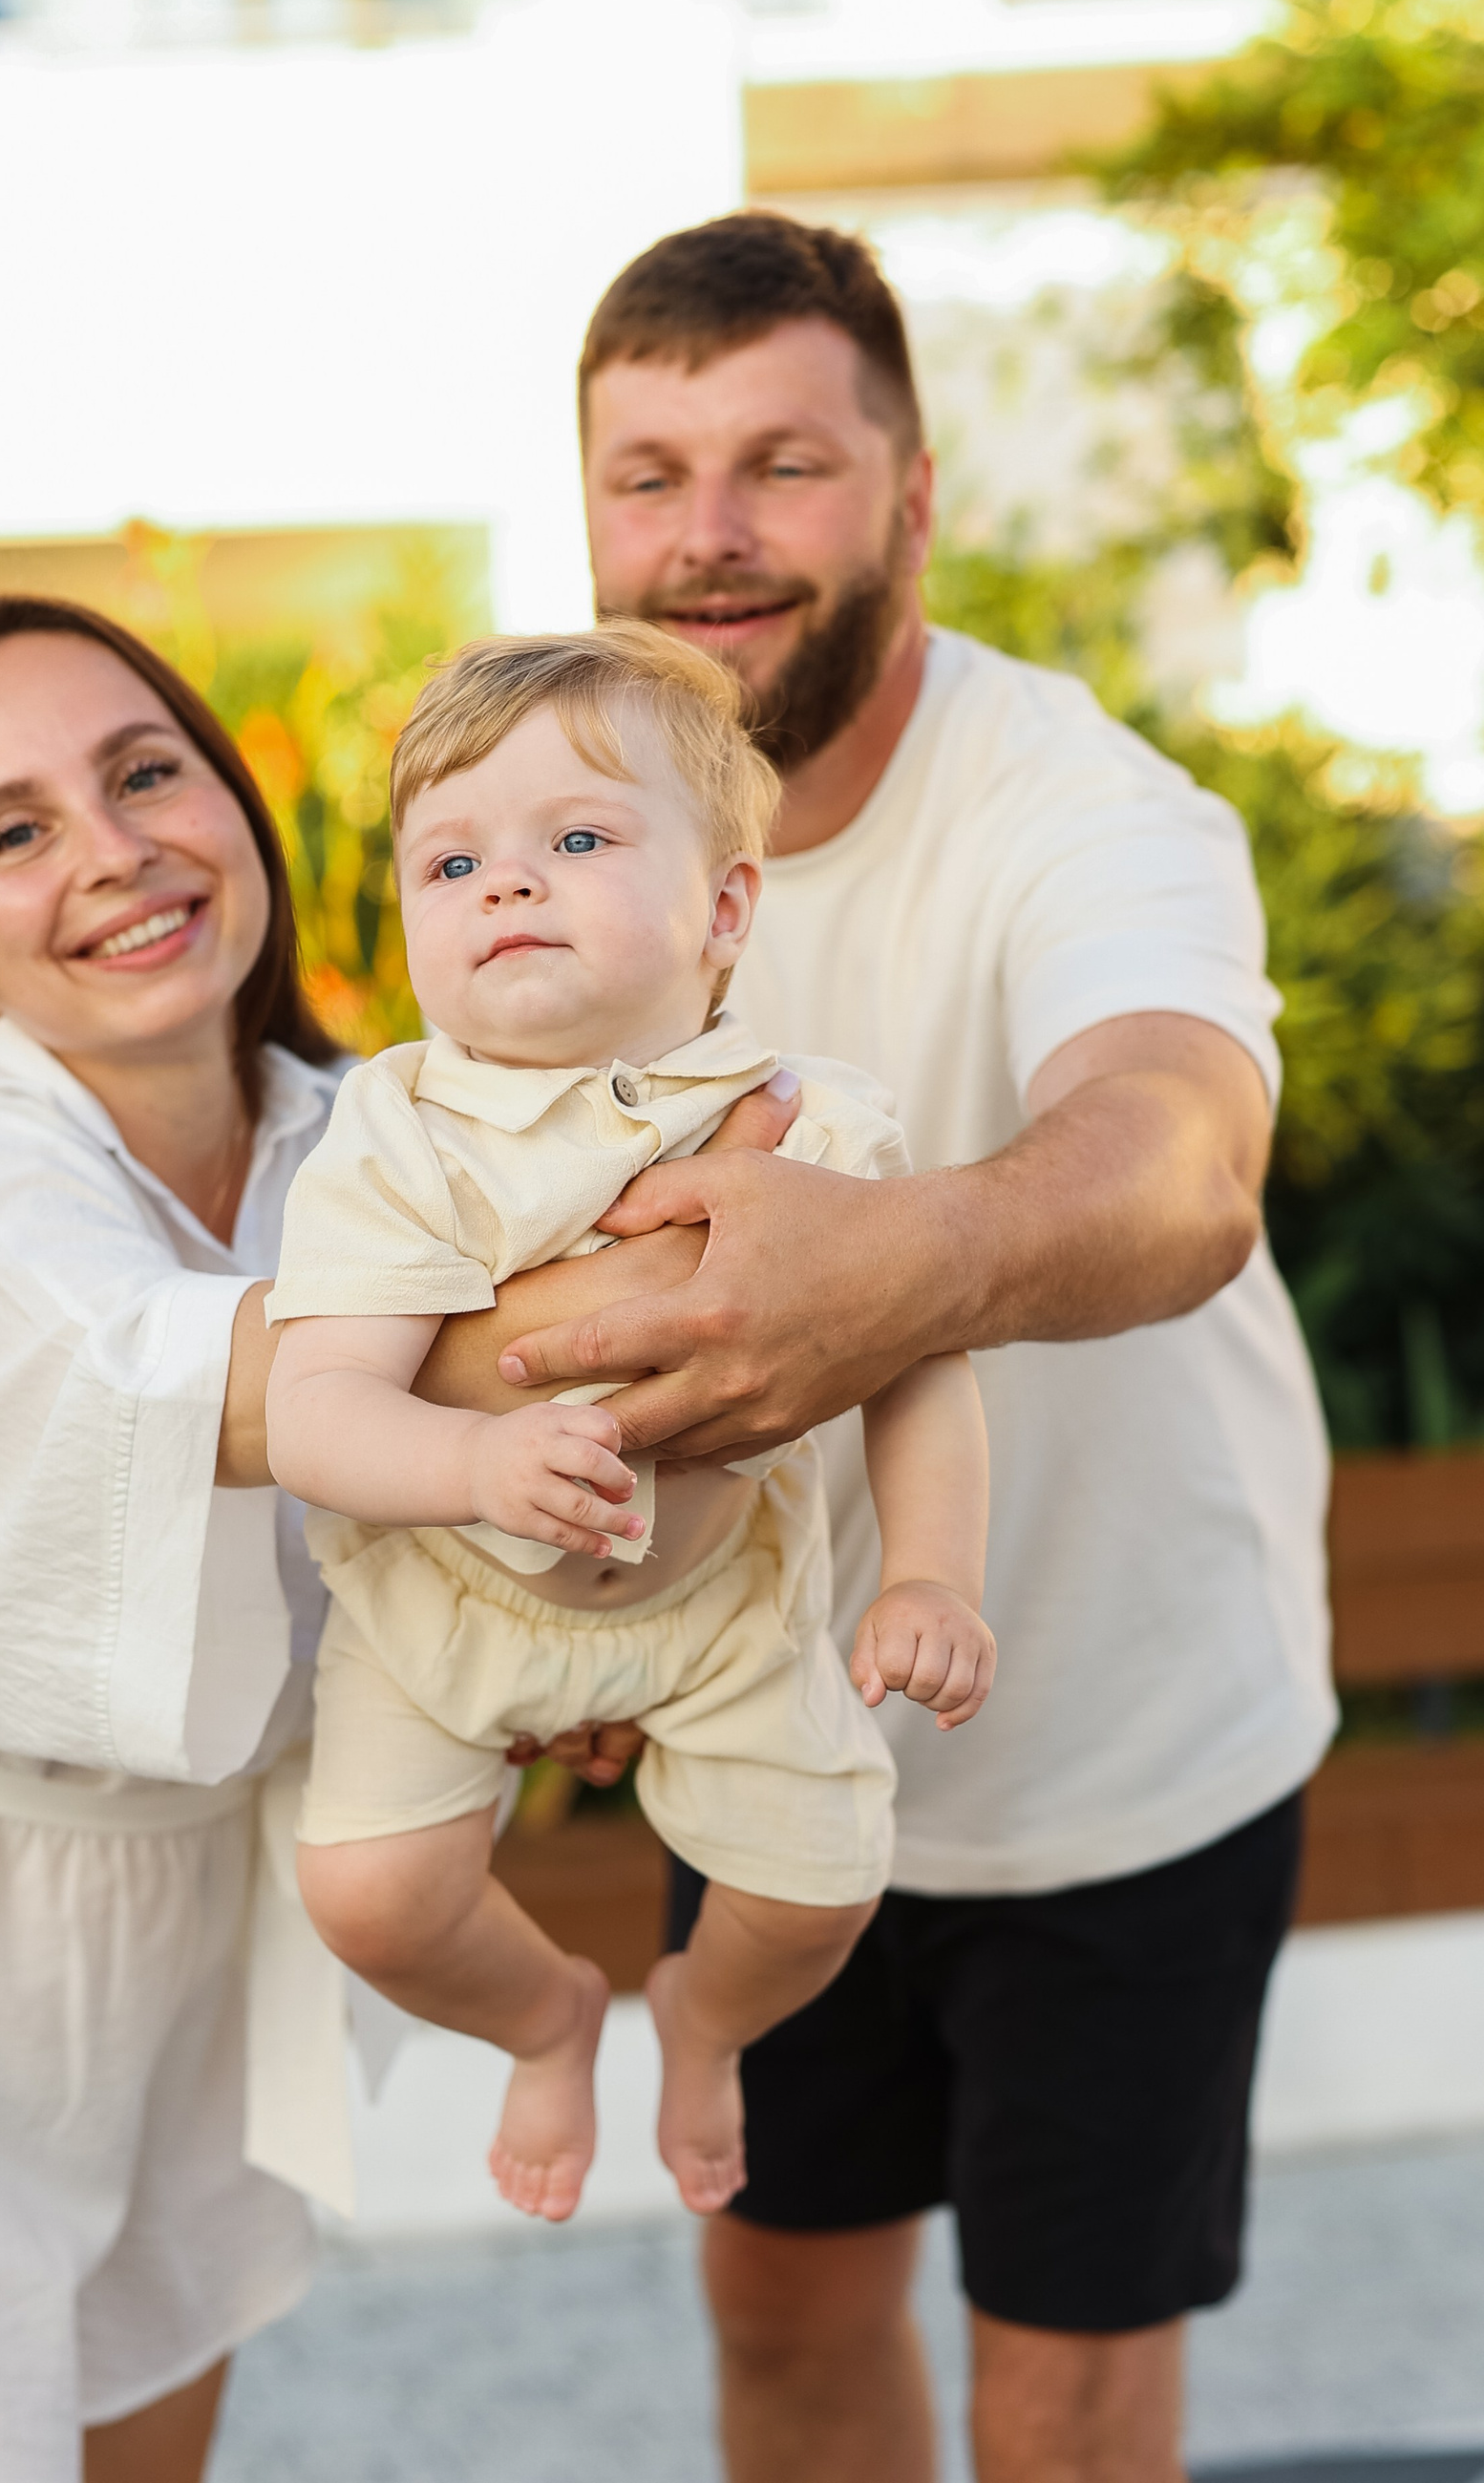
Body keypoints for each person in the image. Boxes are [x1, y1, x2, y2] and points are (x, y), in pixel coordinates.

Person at [0, 593, 790, 2483]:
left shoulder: (372, 1135)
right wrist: (757, 1253)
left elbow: (461, 1514)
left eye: (143, 773)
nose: (112, 850)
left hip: (194, 1919)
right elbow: (241, 1385)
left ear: (234, 806)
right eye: (14, 830)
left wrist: (583, 1653)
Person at [479, 216, 1337, 2483]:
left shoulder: (1085, 808)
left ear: (914, 497)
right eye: (650, 474)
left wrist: (899, 1265)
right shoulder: (571, 843)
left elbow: (1181, 1161)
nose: (711, 533)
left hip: (1123, 1759)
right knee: (777, 2327)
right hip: (778, 1752)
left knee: (1063, 2415)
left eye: (784, 463)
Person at [264, 625, 994, 2225]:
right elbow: (312, 1408)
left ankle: (703, 2019)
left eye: (579, 839)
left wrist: (931, 1571)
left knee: (817, 1890)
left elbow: (921, 1360)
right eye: (453, 862)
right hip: (449, 1597)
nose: (508, 885)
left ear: (724, 908)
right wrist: (473, 1460)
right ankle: (545, 2017)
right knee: (370, 1895)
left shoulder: (814, 1124)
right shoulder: (402, 1132)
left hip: (719, 1603)